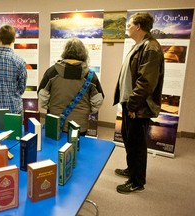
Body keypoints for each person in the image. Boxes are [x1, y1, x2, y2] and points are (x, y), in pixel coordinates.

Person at [113, 12, 164, 194]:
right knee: (129, 140)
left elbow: (146, 82)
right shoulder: (140, 45)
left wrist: (134, 105)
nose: (128, 27)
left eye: (130, 24)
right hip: (131, 104)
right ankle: (131, 170)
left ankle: (137, 181)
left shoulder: (150, 48)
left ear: (139, 27)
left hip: (138, 107)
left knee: (137, 144)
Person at [38, 37, 104, 135]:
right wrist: (86, 110)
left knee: (53, 148)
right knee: (77, 148)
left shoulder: (52, 72)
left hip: (55, 121)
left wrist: (50, 108)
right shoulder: (91, 76)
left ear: (65, 51)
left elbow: (42, 95)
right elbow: (98, 100)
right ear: (84, 53)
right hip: (79, 124)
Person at [0, 25, 27, 117]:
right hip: (13, 109)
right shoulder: (19, 61)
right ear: (14, 39)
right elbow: (21, 88)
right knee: (15, 132)